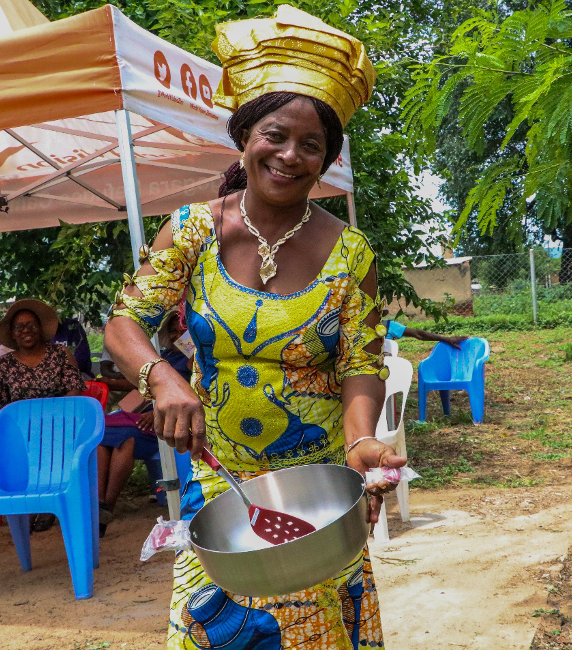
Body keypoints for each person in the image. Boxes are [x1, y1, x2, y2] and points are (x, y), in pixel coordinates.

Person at [104, 8, 404, 646]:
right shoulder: (193, 230)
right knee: (215, 630)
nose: (291, 155)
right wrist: (160, 378)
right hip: (223, 478)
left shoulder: (352, 254)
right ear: (245, 135)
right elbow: (125, 322)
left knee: (316, 634)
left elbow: (360, 365)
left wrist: (360, 445)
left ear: (327, 159)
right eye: (276, 134)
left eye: (313, 145)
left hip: (320, 489)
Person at [0, 299, 86, 532]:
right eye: (19, 327)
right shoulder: (4, 363)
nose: (26, 331)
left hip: (60, 426)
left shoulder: (60, 354)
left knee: (51, 449)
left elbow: (75, 388)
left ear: (40, 328)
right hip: (21, 432)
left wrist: (54, 419)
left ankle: (47, 506)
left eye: (31, 325)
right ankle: (28, 507)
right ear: (12, 333)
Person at [97, 311, 191, 537]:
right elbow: (142, 385)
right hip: (141, 415)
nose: (178, 335)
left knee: (126, 440)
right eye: (174, 331)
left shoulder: (193, 361)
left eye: (183, 330)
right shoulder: (162, 357)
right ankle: (99, 504)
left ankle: (106, 507)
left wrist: (159, 408)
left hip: (167, 420)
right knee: (101, 440)